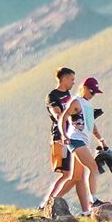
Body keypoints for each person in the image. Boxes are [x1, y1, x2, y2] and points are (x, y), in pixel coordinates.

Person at [60, 76, 104, 214]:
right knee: (93, 168)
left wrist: (102, 141)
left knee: (75, 177)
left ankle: (53, 200)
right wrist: (63, 135)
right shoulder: (76, 102)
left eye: (95, 93)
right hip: (75, 140)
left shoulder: (88, 105)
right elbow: (63, 117)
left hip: (83, 141)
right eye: (91, 91)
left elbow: (92, 126)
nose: (93, 95)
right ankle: (94, 200)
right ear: (84, 88)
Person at [39, 68, 77, 210]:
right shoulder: (52, 96)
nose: (73, 82)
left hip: (71, 135)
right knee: (66, 173)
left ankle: (51, 201)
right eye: (72, 79)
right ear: (64, 79)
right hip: (60, 136)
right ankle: (48, 202)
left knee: (72, 173)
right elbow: (57, 114)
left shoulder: (68, 95)